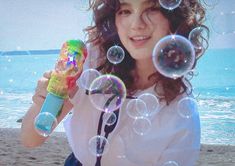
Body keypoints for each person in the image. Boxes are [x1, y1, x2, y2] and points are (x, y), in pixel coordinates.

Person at [21, 0, 208, 165]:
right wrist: (43, 101)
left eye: (151, 8)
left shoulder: (182, 119)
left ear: (174, 17)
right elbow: (31, 139)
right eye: (125, 10)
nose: (136, 24)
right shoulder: (92, 61)